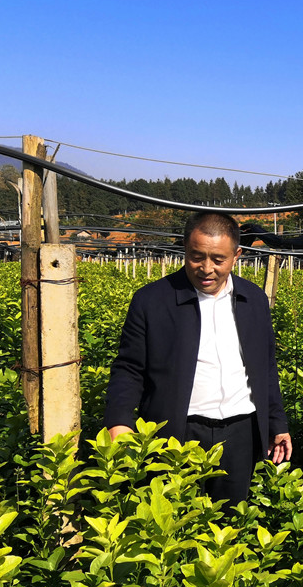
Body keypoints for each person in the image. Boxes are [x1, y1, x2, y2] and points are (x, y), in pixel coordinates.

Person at [104, 211, 292, 505]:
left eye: (218, 259)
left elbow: (265, 367)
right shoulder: (152, 301)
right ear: (185, 249)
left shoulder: (253, 299)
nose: (206, 268)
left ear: (236, 256)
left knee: (230, 522)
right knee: (170, 518)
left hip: (240, 434)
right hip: (175, 433)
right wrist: (119, 420)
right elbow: (129, 368)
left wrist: (277, 423)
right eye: (196, 257)